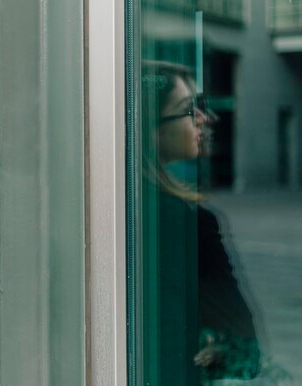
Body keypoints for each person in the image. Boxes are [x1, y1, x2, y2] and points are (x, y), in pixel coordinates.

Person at [141, 61, 260, 385]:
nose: (205, 119)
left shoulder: (118, 205)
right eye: (188, 108)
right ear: (149, 124)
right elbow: (242, 346)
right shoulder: (184, 222)